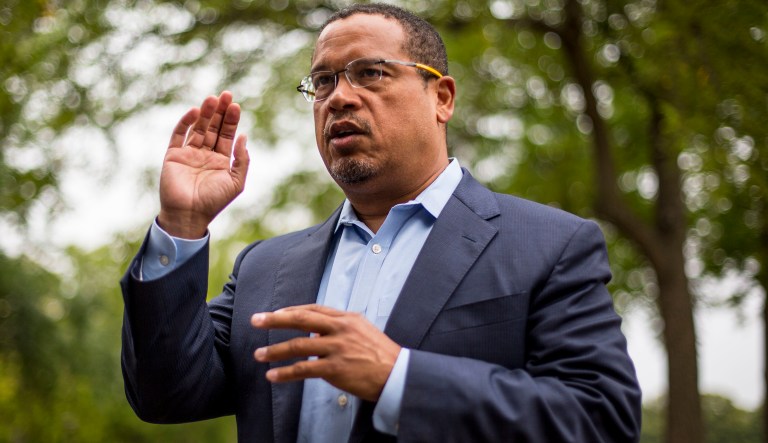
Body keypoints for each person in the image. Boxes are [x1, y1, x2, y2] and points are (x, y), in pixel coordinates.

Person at [120, 3, 641, 442]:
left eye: (371, 72)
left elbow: (601, 419)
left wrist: (400, 379)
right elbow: (166, 394)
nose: (339, 97)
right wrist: (182, 224)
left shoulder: (549, 245)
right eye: (323, 81)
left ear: (442, 98)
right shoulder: (265, 268)